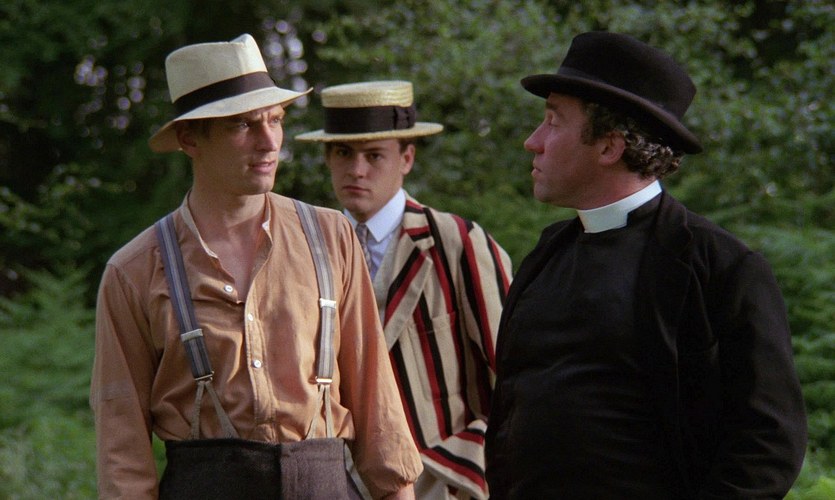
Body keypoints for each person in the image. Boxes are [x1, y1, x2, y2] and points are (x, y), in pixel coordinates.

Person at [89, 34, 422, 499]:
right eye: (242, 125)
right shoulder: (134, 270)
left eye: (275, 120)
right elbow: (121, 446)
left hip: (323, 483)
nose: (269, 142)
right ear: (190, 138)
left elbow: (376, 402)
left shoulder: (330, 237)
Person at [484, 31, 807, 499]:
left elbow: (767, 445)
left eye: (553, 121)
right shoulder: (547, 253)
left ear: (609, 146)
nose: (533, 142)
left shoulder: (722, 267)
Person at [296, 80, 512, 499]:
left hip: (441, 481)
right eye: (343, 153)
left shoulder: (457, 242)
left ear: (407, 158)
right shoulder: (305, 252)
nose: (357, 170)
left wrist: (467, 470)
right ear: (327, 158)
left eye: (374, 155)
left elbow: (517, 373)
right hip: (336, 483)